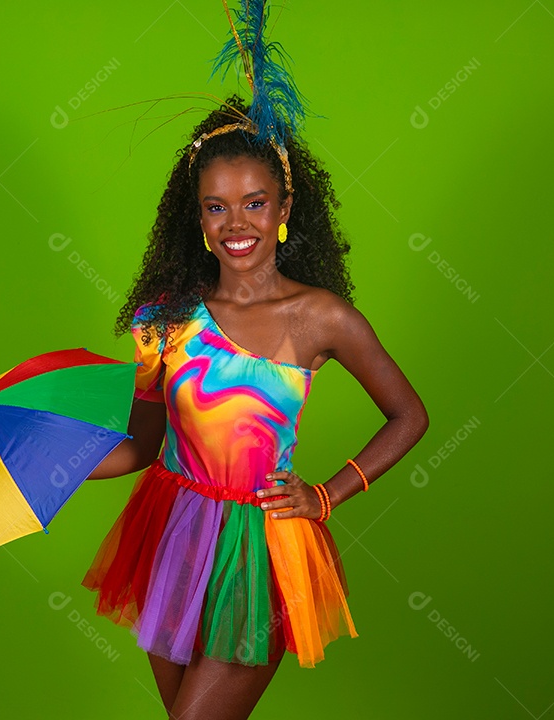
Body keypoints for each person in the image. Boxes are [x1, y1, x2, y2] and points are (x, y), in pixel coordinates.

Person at [82, 94, 429, 720]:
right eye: (216, 207)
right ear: (197, 217)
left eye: (254, 204)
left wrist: (326, 495)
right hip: (172, 535)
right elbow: (141, 444)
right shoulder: (167, 320)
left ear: (284, 209)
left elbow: (410, 416)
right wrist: (59, 462)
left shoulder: (321, 316)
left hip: (259, 550)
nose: (235, 224)